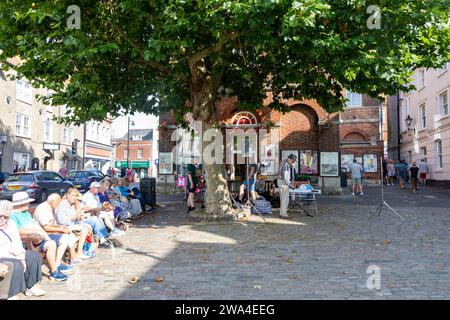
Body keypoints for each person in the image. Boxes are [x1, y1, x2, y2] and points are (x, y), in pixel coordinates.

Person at [9, 192, 69, 282]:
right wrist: (34, 231)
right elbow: (16, 231)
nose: (29, 204)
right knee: (52, 243)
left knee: (51, 243)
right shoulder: (13, 215)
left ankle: (54, 271)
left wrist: (39, 232)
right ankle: (53, 271)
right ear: (21, 204)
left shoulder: (25, 213)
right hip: (25, 242)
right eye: (27, 202)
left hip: (36, 239)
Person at [0, 200, 47, 299]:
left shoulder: (11, 224)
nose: (2, 219)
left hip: (12, 251)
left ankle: (30, 286)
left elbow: (16, 242)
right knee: (16, 264)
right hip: (2, 255)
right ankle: (10, 293)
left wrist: (21, 256)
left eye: (6, 217)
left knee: (33, 256)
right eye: (0, 216)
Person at [34, 193, 91, 263]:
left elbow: (51, 225)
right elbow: (46, 227)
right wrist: (61, 229)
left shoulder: (49, 207)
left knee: (72, 233)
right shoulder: (43, 209)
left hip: (48, 232)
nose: (58, 205)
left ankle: (72, 257)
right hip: (43, 235)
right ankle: (58, 263)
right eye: (57, 203)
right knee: (67, 237)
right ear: (52, 201)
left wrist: (61, 227)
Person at [277, 154, 297, 219]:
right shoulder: (286, 164)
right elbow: (285, 177)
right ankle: (283, 214)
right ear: (290, 159)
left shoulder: (284, 162)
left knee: (283, 198)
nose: (293, 163)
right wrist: (290, 185)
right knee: (285, 199)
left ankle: (282, 213)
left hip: (282, 181)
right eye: (293, 161)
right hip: (283, 182)